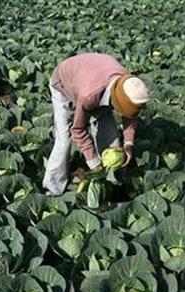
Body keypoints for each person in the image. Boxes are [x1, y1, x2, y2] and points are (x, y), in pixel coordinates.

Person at [42, 53, 150, 195]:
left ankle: (111, 184)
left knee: (112, 138)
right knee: (64, 139)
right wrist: (93, 163)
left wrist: (128, 144)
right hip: (63, 82)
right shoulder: (89, 96)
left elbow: (130, 115)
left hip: (92, 80)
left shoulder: (128, 84)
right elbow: (78, 130)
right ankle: (53, 187)